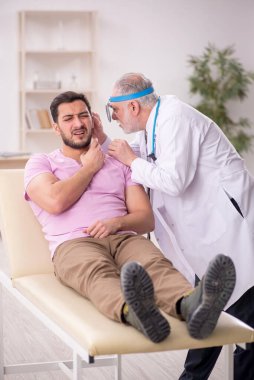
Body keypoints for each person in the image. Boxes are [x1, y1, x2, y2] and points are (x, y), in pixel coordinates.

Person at [24, 91, 236, 346]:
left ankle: (191, 306)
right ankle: (135, 312)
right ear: (56, 128)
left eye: (83, 116)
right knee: (97, 274)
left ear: (93, 119)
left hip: (123, 237)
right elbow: (54, 201)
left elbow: (145, 219)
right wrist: (90, 167)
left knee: (154, 263)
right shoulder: (41, 162)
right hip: (74, 243)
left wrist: (117, 223)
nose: (78, 124)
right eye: (68, 119)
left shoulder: (119, 163)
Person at [99, 72, 254, 379]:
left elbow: (173, 181)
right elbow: (133, 153)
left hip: (228, 223)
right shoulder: (153, 125)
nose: (113, 117)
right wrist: (102, 138)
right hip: (207, 231)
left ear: (132, 107)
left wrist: (131, 161)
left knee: (244, 317)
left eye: (113, 111)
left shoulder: (175, 118)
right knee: (210, 307)